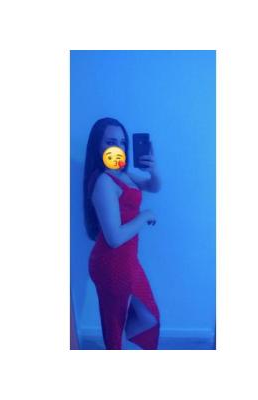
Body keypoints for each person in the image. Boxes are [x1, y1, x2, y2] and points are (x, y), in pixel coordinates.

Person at [83, 117, 161, 350]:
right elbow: (114, 238)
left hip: (128, 260)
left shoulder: (121, 173)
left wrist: (153, 169)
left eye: (122, 142)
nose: (118, 147)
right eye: (110, 142)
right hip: (111, 263)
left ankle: (117, 343)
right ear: (98, 146)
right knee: (114, 324)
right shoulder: (104, 182)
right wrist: (144, 216)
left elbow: (154, 186)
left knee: (149, 317)